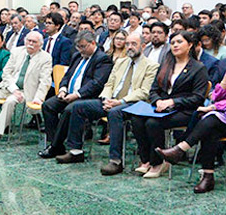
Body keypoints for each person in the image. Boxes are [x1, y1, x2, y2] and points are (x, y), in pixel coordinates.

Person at [157, 47, 226, 193]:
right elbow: (216, 97)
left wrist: (212, 108)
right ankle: (207, 176)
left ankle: (182, 150)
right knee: (210, 129)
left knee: (211, 119)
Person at [58, 32, 158, 171]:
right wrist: (106, 98)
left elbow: (144, 91)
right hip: (111, 100)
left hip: (133, 103)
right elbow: (109, 84)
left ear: (143, 46)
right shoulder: (120, 62)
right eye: (127, 44)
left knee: (114, 113)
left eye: (133, 44)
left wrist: (120, 101)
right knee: (77, 107)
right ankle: (76, 151)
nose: (129, 47)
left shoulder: (151, 65)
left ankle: (115, 160)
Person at [130, 31, 209, 179]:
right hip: (161, 108)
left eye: (179, 42)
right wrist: (158, 101)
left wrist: (172, 102)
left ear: (190, 45)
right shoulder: (166, 64)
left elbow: (198, 98)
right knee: (136, 119)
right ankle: (145, 159)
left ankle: (158, 162)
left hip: (184, 110)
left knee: (152, 123)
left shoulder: (198, 68)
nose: (175, 45)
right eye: (172, 43)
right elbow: (153, 89)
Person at [39, 30, 112, 160]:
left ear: (93, 43)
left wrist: (77, 95)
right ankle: (57, 143)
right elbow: (67, 75)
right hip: (68, 94)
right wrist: (62, 88)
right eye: (78, 47)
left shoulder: (102, 59)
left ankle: (55, 147)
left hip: (86, 97)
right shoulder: (77, 56)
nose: (81, 50)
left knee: (70, 109)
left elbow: (97, 84)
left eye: (83, 46)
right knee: (48, 105)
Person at [0, 31, 52, 147]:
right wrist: (13, 89)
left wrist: (39, 98)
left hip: (26, 90)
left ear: (40, 45)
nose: (30, 44)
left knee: (10, 101)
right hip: (9, 86)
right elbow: (6, 73)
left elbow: (45, 81)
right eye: (29, 41)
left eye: (34, 42)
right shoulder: (17, 51)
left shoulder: (45, 58)